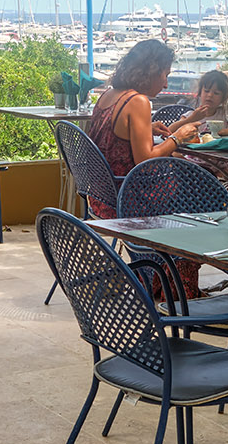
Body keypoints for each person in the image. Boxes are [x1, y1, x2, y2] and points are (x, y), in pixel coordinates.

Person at [87, 39, 203, 297]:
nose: (165, 83)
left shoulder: (109, 95)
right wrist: (178, 138)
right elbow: (144, 160)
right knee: (204, 208)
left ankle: (155, 279)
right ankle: (176, 291)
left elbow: (109, 136)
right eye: (164, 75)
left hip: (103, 194)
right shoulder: (138, 101)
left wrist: (145, 129)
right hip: (132, 198)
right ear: (151, 71)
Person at [159, 70, 228, 135]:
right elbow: (169, 131)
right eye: (206, 91)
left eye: (216, 93)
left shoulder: (225, 115)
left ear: (223, 97)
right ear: (200, 93)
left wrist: (225, 132)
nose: (210, 95)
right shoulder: (191, 115)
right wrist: (191, 119)